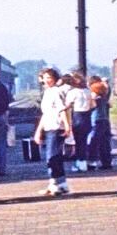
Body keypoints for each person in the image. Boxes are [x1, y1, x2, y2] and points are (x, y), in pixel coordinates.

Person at [33, 67, 71, 196]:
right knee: (56, 156)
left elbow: (62, 109)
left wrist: (67, 126)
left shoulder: (55, 92)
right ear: (41, 79)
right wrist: (38, 131)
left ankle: (54, 185)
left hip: (56, 127)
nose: (47, 80)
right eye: (45, 77)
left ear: (55, 79)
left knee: (52, 157)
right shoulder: (48, 92)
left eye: (50, 77)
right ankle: (62, 184)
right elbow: (45, 114)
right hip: (49, 126)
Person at [65, 72, 94, 172]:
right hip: (86, 117)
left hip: (77, 116)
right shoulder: (87, 91)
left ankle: (80, 164)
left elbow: (67, 105)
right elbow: (92, 105)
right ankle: (84, 162)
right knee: (84, 142)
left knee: (78, 142)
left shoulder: (72, 92)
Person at [87, 75, 113, 170]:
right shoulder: (104, 97)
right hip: (105, 120)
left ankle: (91, 162)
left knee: (94, 142)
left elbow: (90, 107)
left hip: (96, 121)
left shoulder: (94, 98)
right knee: (105, 143)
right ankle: (107, 162)